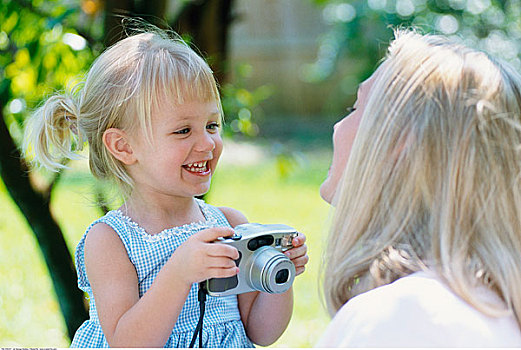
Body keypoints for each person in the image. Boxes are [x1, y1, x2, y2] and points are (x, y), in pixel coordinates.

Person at [23, 28, 308, 348]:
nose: (207, 143)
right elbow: (126, 343)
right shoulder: (111, 241)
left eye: (212, 125)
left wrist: (279, 278)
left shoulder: (229, 226)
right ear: (124, 146)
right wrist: (179, 273)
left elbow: (261, 332)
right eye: (183, 130)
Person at [317, 29, 521, 347]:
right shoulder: (494, 305)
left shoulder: (399, 319)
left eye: (355, 108)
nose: (337, 127)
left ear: (399, 142)